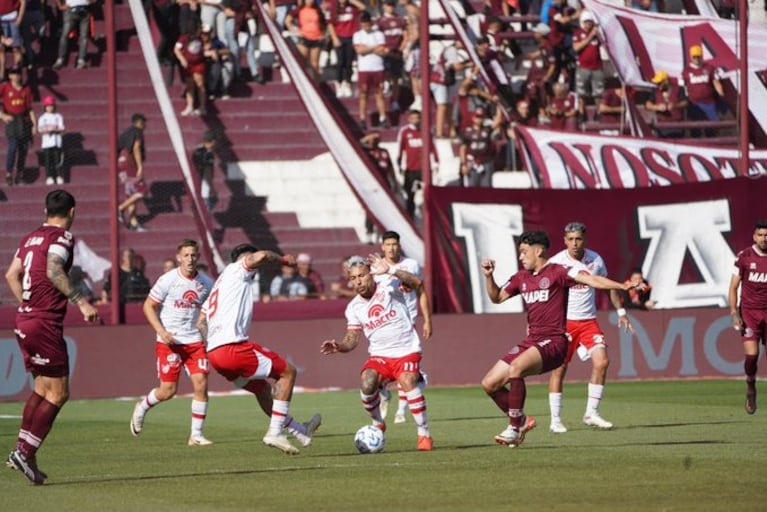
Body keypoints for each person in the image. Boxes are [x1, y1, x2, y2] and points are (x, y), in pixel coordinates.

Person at [480, 230, 639, 448]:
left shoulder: (558, 272)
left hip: (554, 341)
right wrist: (489, 277)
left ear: (539, 250)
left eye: (524, 252)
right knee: (489, 383)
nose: (521, 257)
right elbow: (497, 297)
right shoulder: (521, 278)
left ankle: (514, 428)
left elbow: (591, 279)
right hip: (533, 340)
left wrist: (621, 286)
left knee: (516, 368)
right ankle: (523, 420)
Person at [4, 189, 100, 484]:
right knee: (59, 393)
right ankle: (24, 450)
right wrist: (81, 302)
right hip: (43, 322)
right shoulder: (62, 238)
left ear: (46, 211)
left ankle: (25, 456)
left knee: (43, 388)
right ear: (72, 211)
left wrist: (27, 305)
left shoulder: (29, 238)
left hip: (25, 319)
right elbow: (55, 269)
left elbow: (10, 275)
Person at [198, 244, 318, 454]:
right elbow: (262, 254)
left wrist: (214, 343)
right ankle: (275, 433)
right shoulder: (237, 270)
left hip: (215, 354)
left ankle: (301, 431)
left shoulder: (219, 285)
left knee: (262, 389)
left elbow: (200, 323)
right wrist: (283, 260)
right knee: (288, 372)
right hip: (232, 348)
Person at [321, 254, 434, 451]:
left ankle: (423, 434)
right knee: (367, 381)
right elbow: (352, 338)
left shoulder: (388, 284)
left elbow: (416, 283)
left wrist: (391, 270)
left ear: (371, 274)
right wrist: (340, 346)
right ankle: (378, 422)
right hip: (380, 356)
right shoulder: (354, 308)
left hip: (406, 351)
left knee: (407, 381)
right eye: (354, 278)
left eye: (362, 276)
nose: (358, 281)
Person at [547, 222, 633, 433]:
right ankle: (555, 420)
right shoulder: (555, 263)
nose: (575, 243)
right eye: (571, 239)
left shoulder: (595, 260)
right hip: (564, 322)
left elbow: (607, 286)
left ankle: (591, 413)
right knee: (560, 368)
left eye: (578, 239)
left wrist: (621, 312)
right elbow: (542, 294)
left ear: (585, 239)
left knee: (602, 362)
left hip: (588, 322)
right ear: (564, 240)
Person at [130, 239, 215, 445]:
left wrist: (206, 329)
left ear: (198, 257)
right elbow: (148, 306)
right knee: (168, 391)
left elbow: (212, 310)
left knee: (201, 384)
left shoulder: (206, 283)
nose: (190, 259)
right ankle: (141, 407)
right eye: (186, 255)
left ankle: (195, 435)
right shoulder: (168, 280)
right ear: (179, 257)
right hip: (170, 341)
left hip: (194, 341)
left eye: (193, 255)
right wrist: (161, 330)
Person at [375, 230, 432, 424]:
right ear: (382, 247)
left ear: (399, 245)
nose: (391, 248)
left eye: (395, 244)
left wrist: (427, 320)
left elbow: (421, 290)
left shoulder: (411, 265)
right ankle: (384, 393)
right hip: (384, 326)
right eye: (388, 244)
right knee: (379, 372)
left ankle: (401, 410)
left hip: (408, 323)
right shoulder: (376, 268)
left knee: (405, 370)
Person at [728, 220, 767, 415]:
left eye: (766, 235)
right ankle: (751, 386)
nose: (764, 238)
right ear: (754, 237)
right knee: (752, 356)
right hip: (750, 313)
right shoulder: (744, 257)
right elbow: (734, 287)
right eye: (760, 235)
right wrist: (734, 313)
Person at [396, 109, 438, 220]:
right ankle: (410, 218)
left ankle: (429, 217)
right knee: (410, 194)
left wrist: (436, 163)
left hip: (424, 169)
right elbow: (400, 149)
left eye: (418, 118)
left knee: (428, 194)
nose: (416, 120)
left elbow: (433, 148)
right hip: (410, 169)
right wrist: (399, 164)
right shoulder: (404, 132)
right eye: (413, 118)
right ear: (409, 119)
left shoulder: (426, 131)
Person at [353, 11, 389, 131]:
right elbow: (359, 50)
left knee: (379, 93)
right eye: (363, 23)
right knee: (364, 94)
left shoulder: (379, 34)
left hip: (377, 67)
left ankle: (383, 118)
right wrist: (374, 48)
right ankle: (362, 118)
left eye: (367, 22)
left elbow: (382, 50)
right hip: (365, 68)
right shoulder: (358, 35)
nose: (365, 25)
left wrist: (367, 48)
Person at [1, 67, 36, 186]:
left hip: (24, 120)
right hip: (12, 120)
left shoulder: (26, 89)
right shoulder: (5, 87)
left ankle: (20, 174)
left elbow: (30, 108)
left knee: (23, 149)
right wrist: (2, 115)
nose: (15, 76)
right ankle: (9, 173)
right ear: (9, 76)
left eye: (17, 73)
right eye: (13, 73)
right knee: (13, 146)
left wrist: (34, 125)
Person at [679, 45, 724, 136]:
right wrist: (683, 102)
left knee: (713, 127)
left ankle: (713, 145)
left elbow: (716, 82)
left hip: (709, 102)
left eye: (698, 56)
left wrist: (722, 95)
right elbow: (681, 87)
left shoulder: (710, 68)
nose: (696, 58)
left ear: (702, 56)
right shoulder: (686, 71)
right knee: (695, 129)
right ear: (691, 56)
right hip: (694, 103)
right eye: (694, 56)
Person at [117, 113, 148, 231]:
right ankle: (120, 208)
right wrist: (140, 167)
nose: (145, 126)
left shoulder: (126, 132)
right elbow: (136, 147)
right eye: (144, 123)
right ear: (140, 122)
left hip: (120, 164)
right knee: (142, 190)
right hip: (130, 163)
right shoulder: (138, 131)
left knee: (131, 193)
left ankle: (134, 222)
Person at [53, 0, 96, 69]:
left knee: (84, 36)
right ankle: (60, 59)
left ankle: (81, 60)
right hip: (71, 9)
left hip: (85, 9)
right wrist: (60, 6)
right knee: (65, 35)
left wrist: (92, 1)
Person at [645, 71, 687, 138]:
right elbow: (648, 105)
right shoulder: (655, 91)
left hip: (677, 125)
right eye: (657, 83)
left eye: (660, 83)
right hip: (662, 125)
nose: (658, 85)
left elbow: (685, 102)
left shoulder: (679, 89)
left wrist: (675, 105)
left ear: (666, 81)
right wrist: (657, 107)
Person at [37, 96, 66, 185]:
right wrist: (47, 130)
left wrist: (55, 129)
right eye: (48, 106)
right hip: (46, 143)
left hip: (56, 142)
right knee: (48, 160)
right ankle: (49, 177)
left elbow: (62, 127)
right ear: (45, 107)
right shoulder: (42, 117)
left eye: (51, 106)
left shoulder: (58, 116)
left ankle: (59, 176)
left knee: (57, 159)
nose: (50, 108)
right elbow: (39, 129)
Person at [192, 130, 218, 210]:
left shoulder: (198, 150)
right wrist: (212, 190)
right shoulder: (207, 153)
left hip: (197, 186)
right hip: (204, 190)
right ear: (213, 141)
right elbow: (207, 173)